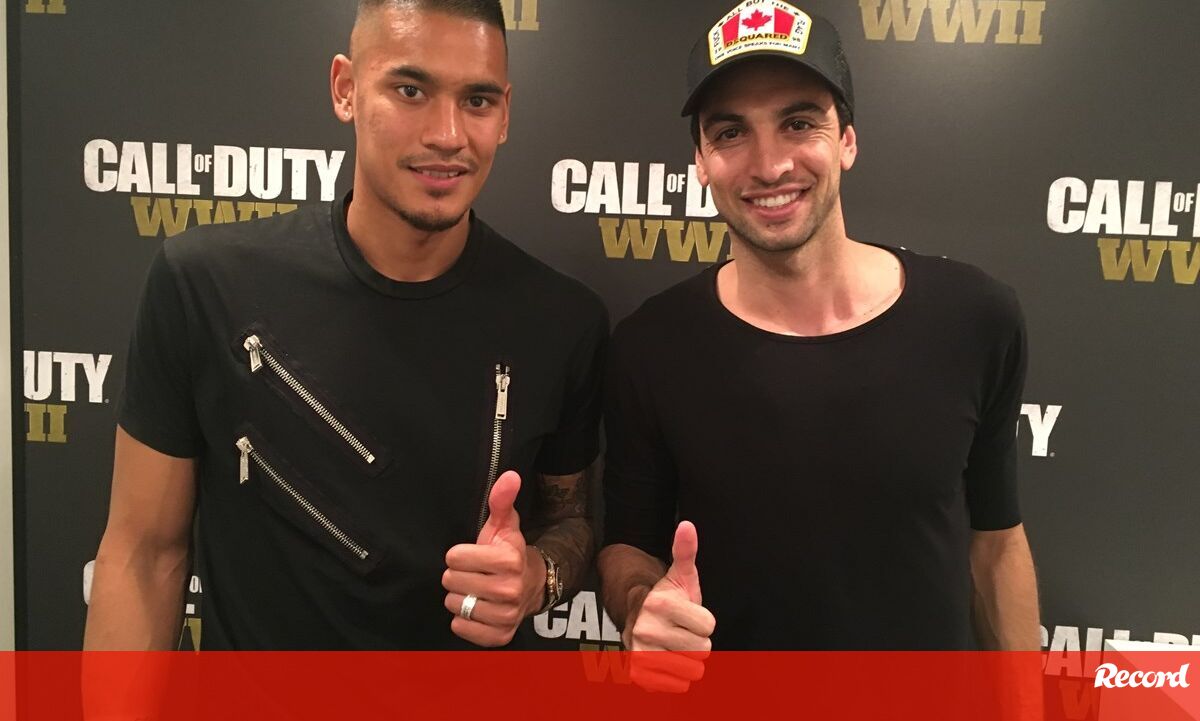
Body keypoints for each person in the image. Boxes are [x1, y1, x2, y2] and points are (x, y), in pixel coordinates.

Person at [84, 0, 607, 650]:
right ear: (345, 89)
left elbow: (571, 519)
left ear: (504, 115)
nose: (448, 134)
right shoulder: (204, 283)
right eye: (410, 90)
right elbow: (143, 555)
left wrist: (537, 576)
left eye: (477, 100)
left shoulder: (562, 319)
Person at [598, 0, 1039, 662]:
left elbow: (997, 542)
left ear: (848, 141)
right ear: (701, 161)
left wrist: (1026, 705)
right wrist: (640, 605)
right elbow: (629, 545)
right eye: (730, 133)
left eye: (799, 123)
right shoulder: (650, 346)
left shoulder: (975, 317)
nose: (769, 165)